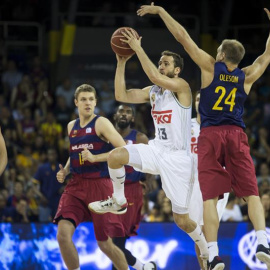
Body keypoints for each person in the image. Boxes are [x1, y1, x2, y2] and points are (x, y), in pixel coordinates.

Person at [137, 3, 270, 269]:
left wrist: (162, 12)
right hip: (236, 132)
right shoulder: (248, 75)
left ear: (221, 54)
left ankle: (213, 252)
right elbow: (267, 55)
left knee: (210, 196)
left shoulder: (211, 68)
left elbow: (183, 38)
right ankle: (262, 240)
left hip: (211, 134)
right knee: (252, 193)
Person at [89, 35, 209, 265]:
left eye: (166, 63)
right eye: (160, 62)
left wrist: (138, 48)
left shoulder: (182, 88)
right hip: (157, 149)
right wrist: (121, 63)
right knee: (116, 156)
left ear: (177, 71)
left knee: (182, 221)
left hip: (178, 159)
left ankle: (205, 248)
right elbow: (121, 95)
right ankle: (118, 199)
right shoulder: (154, 91)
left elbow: (154, 75)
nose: (161, 66)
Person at [53, 84, 130, 270]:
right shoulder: (71, 126)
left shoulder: (101, 123)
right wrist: (66, 171)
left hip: (100, 185)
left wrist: (96, 157)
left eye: (91, 99)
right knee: (62, 235)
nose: (88, 103)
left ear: (95, 102)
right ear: (76, 103)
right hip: (76, 186)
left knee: (105, 245)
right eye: (83, 99)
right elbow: (75, 154)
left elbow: (124, 150)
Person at [111, 104, 157, 270]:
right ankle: (143, 267)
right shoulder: (105, 136)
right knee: (111, 243)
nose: (124, 114)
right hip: (108, 190)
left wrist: (147, 180)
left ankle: (142, 267)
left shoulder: (140, 138)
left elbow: (150, 162)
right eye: (121, 111)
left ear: (133, 118)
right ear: (115, 115)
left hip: (130, 191)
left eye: (128, 112)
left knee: (116, 242)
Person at [189, 92, 229, 269]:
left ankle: (212, 263)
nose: (200, 102)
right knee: (197, 231)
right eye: (197, 99)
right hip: (192, 182)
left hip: (214, 179)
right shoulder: (184, 125)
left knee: (208, 230)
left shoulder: (222, 124)